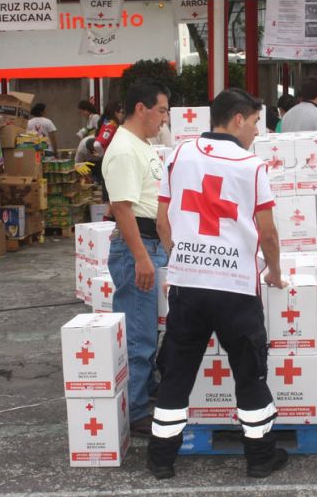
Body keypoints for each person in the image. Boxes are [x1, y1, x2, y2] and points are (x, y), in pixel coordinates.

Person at [148, 87, 288, 480]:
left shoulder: (177, 155)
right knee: (249, 373)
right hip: (236, 290)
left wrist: (184, 257)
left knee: (176, 371)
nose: (258, 132)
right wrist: (274, 271)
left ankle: (161, 460)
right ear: (238, 119)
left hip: (188, 287)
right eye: (256, 122)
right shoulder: (252, 166)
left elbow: (162, 222)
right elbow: (268, 233)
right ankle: (260, 459)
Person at [101, 80, 170, 436]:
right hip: (136, 247)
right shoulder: (125, 149)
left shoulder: (141, 146)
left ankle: (147, 391)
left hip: (149, 244)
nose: (164, 119)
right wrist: (142, 258)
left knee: (149, 328)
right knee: (140, 333)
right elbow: (123, 209)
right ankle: (139, 407)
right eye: (161, 111)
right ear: (141, 109)